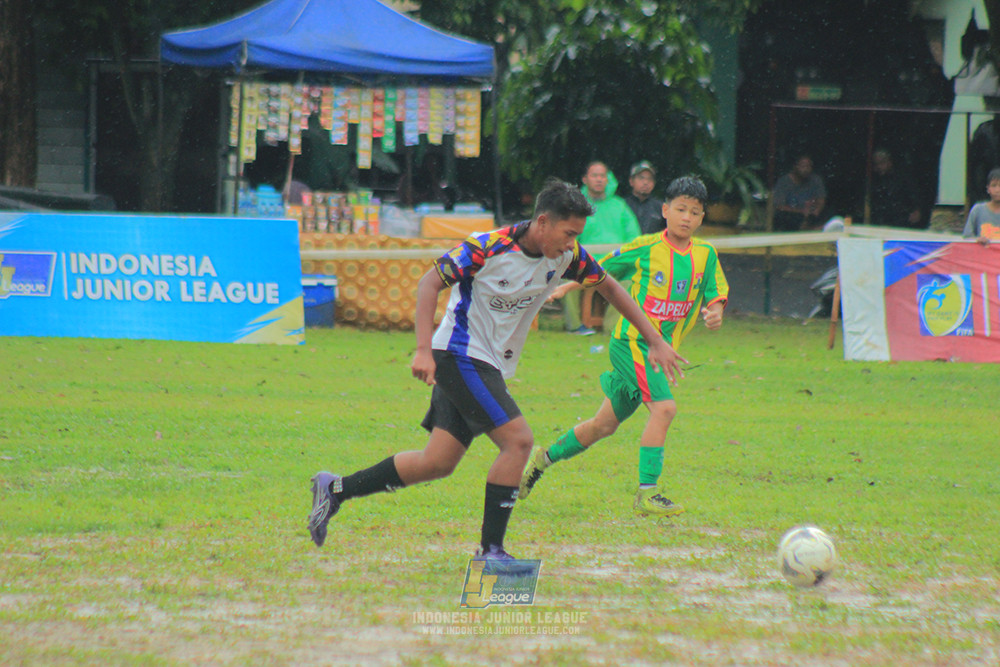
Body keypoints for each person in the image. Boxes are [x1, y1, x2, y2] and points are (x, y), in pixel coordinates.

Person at [307, 178, 685, 561]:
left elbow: (611, 289)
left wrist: (654, 339)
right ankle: (491, 551)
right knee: (519, 441)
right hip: (459, 354)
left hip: (488, 363)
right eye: (568, 233)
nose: (572, 243)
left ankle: (334, 489)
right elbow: (427, 283)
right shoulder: (487, 247)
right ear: (542, 223)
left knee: (437, 462)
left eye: (577, 236)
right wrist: (422, 350)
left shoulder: (567, 257)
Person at [520, 176, 728, 517]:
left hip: (660, 352)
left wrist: (715, 311)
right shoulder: (645, 247)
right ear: (665, 211)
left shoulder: (706, 255)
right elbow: (601, 270)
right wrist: (566, 289)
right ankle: (648, 492)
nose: (686, 217)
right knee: (664, 409)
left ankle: (543, 459)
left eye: (694, 212)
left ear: (702, 218)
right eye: (680, 209)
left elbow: (715, 292)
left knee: (603, 426)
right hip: (632, 343)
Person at [563, 161, 641, 335]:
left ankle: (612, 328)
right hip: (584, 264)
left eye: (602, 176)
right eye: (594, 175)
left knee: (632, 281)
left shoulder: (620, 206)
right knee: (565, 277)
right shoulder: (576, 207)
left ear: (608, 180)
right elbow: (567, 238)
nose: (599, 179)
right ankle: (575, 326)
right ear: (585, 179)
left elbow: (634, 239)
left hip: (616, 264)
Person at [772, 154, 826, 231]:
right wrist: (801, 211)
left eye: (808, 166)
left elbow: (821, 199)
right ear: (795, 167)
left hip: (811, 214)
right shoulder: (784, 181)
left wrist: (816, 210)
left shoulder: (816, 180)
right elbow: (779, 206)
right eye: (803, 166)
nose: (806, 169)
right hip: (792, 214)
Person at [867, 149, 921, 228]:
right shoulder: (874, 180)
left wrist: (917, 209)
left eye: (882, 163)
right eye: (876, 164)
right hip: (880, 220)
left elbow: (914, 193)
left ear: (889, 162)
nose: (879, 167)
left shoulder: (902, 177)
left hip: (901, 218)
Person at [624, 160, 666, 235]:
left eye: (649, 179)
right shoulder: (623, 206)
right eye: (641, 178)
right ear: (631, 181)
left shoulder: (661, 207)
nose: (646, 182)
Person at [963, 166, 1000, 245]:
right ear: (988, 189)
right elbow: (966, 238)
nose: (997, 190)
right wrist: (977, 240)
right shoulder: (978, 210)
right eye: (994, 186)